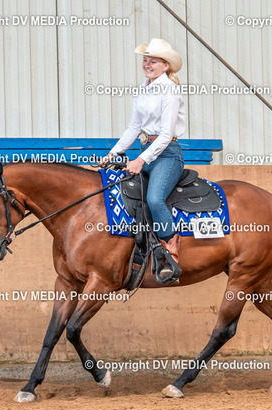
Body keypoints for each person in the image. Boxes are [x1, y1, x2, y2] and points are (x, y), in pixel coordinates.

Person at [101, 38, 186, 278]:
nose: (147, 65)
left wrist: (140, 161)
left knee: (155, 199)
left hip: (167, 154)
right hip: (146, 150)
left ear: (166, 65)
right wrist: (113, 154)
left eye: (153, 61)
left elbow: (166, 135)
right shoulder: (142, 89)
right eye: (145, 60)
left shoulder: (169, 91)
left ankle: (170, 256)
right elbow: (133, 128)